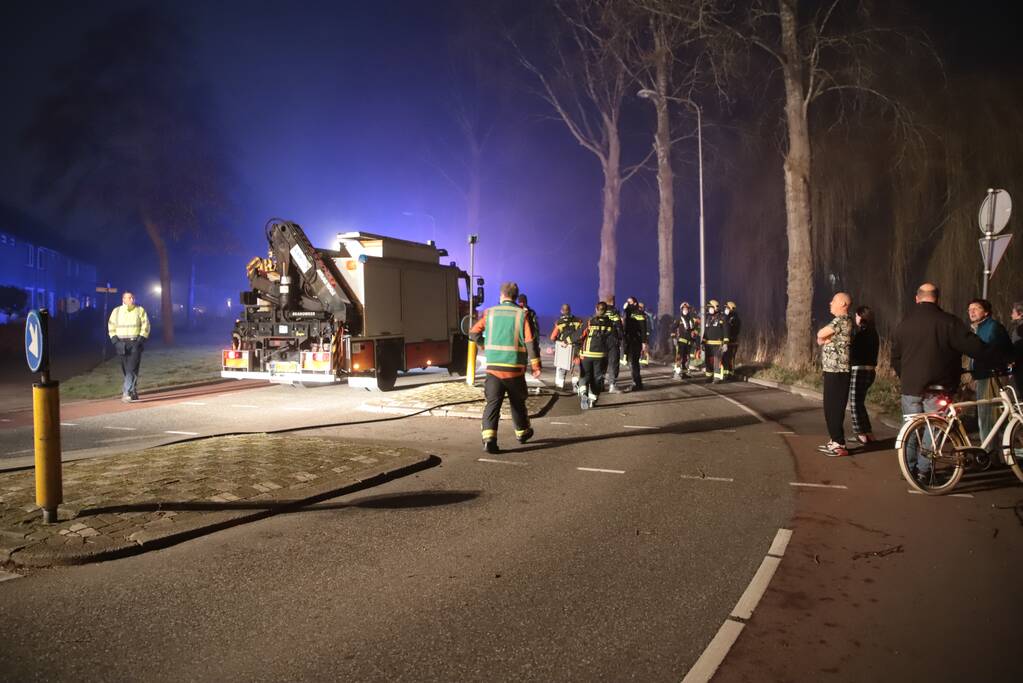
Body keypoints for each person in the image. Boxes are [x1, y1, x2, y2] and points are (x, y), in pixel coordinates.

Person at [892, 283, 998, 481]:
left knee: (910, 427)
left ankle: (908, 467)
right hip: (939, 387)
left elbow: (895, 357)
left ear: (917, 298)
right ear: (937, 299)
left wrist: (905, 376)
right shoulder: (949, 322)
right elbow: (975, 348)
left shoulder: (904, 323)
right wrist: (999, 357)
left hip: (911, 387)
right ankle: (924, 471)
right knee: (935, 428)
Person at [470, 282, 542, 454]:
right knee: (517, 403)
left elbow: (473, 333)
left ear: (501, 295)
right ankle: (522, 433)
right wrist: (535, 364)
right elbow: (530, 341)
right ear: (516, 297)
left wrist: (484, 344)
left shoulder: (489, 313)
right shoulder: (522, 315)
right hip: (514, 368)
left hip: (494, 368)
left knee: (492, 404)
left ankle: (489, 440)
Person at [967, 298, 1012, 451]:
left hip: (990, 376)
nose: (971, 312)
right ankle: (995, 452)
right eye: (970, 309)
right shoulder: (977, 328)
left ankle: (989, 453)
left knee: (988, 416)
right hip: (982, 376)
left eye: (976, 308)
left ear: (986, 312)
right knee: (990, 415)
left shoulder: (992, 327)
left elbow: (989, 352)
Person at [816, 292, 853, 457]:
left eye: (834, 301)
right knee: (829, 407)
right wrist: (825, 339)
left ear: (843, 304)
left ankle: (839, 443)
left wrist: (826, 338)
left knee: (834, 407)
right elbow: (821, 339)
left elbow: (821, 334)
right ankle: (834, 440)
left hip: (838, 371)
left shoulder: (842, 320)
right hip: (832, 370)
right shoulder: (837, 321)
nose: (830, 303)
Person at [107, 291, 151, 402]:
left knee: (131, 368)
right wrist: (115, 341)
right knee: (127, 369)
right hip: (121, 343)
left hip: (135, 343)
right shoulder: (116, 311)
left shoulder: (140, 310)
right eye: (128, 298)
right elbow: (111, 326)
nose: (131, 299)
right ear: (123, 299)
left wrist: (140, 340)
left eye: (132, 297)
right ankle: (133, 392)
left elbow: (146, 326)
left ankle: (126, 393)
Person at [848, 305, 879, 444]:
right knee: (860, 402)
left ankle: (860, 433)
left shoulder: (861, 333)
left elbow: (854, 351)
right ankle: (868, 432)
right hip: (870, 370)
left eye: (856, 316)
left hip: (859, 369)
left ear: (861, 317)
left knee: (854, 402)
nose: (855, 318)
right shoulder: (874, 332)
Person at [577, 301, 614, 409]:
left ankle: (583, 393)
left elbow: (580, 335)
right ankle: (593, 400)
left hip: (587, 354)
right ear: (606, 311)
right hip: (601, 355)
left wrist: (575, 348)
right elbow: (613, 341)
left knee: (585, 376)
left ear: (596, 309)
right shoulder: (610, 324)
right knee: (597, 378)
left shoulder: (589, 321)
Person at [549, 304, 583, 389]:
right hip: (576, 347)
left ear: (561, 311)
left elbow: (552, 337)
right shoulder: (578, 321)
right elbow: (581, 334)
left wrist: (558, 341)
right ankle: (576, 387)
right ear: (570, 310)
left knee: (561, 368)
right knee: (575, 367)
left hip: (563, 347)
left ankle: (560, 386)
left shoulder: (559, 322)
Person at [623, 296, 649, 391]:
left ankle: (637, 383)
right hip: (628, 341)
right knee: (632, 362)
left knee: (633, 362)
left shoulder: (639, 313)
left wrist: (643, 342)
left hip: (635, 340)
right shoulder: (627, 313)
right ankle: (637, 382)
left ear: (635, 303)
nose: (628, 303)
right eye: (627, 302)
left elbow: (643, 329)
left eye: (630, 302)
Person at [671, 301, 699, 379]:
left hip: (689, 342)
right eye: (684, 308)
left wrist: (695, 338)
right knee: (679, 357)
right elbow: (673, 328)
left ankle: (684, 373)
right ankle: (677, 373)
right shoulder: (678, 318)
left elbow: (694, 330)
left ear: (689, 310)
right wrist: (674, 338)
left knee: (686, 358)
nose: (685, 310)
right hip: (681, 341)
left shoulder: (691, 319)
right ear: (681, 309)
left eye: (687, 308)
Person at [702, 300, 727, 383]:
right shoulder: (708, 318)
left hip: (718, 345)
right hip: (708, 345)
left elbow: (725, 331)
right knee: (708, 361)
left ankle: (717, 378)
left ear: (715, 308)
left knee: (717, 361)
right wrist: (703, 342)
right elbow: (705, 332)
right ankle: (709, 377)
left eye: (710, 307)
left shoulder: (722, 318)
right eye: (708, 308)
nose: (709, 309)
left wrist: (725, 343)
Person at [603, 295, 624, 392]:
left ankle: (600, 384)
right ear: (613, 301)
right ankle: (612, 385)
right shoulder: (614, 312)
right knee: (613, 362)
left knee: (602, 362)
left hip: (601, 341)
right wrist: (620, 337)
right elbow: (619, 327)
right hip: (612, 340)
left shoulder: (601, 311)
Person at [722, 301, 741, 380]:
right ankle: (726, 373)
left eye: (727, 308)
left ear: (731, 309)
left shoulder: (735, 319)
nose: (725, 309)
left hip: (732, 342)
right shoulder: (726, 317)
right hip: (726, 341)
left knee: (730, 358)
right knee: (725, 358)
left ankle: (731, 374)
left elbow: (734, 330)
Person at [1011, 301, 1023, 399]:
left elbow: (1017, 348)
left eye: (1013, 312)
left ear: (1020, 314)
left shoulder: (1019, 330)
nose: (1011, 315)